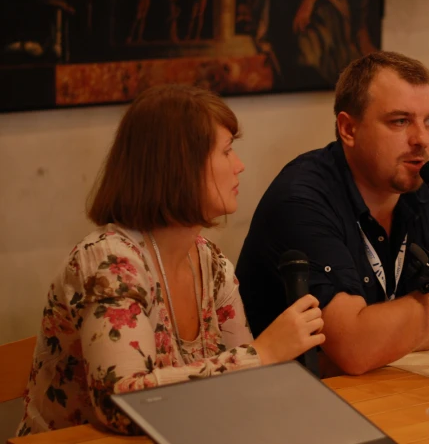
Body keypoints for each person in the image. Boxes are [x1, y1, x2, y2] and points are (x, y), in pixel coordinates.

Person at [17, 85, 324, 436]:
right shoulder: (108, 261)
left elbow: (240, 390)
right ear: (181, 167)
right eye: (226, 152)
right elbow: (120, 406)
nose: (239, 166)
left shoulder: (211, 263)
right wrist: (264, 353)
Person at [236, 51, 429, 375]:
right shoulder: (301, 198)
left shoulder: (425, 182)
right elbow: (356, 350)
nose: (422, 140)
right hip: (289, 402)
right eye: (400, 121)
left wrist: (381, 340)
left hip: (386, 386)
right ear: (348, 129)